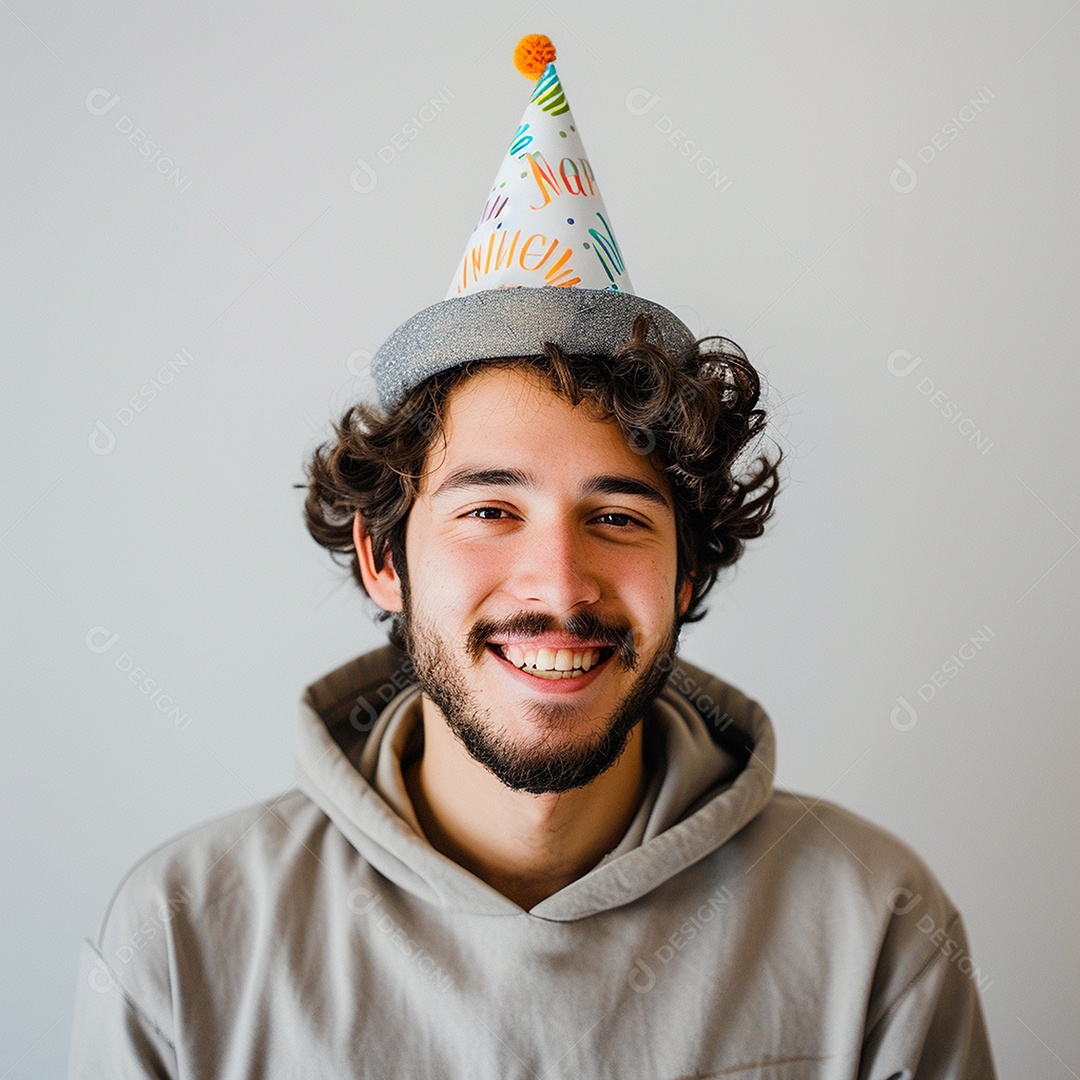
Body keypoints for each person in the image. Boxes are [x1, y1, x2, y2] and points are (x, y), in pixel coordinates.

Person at [69, 35, 996, 1078]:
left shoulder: (878, 932)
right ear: (384, 557)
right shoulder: (181, 940)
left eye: (618, 517)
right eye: (490, 511)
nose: (559, 587)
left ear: (688, 573)